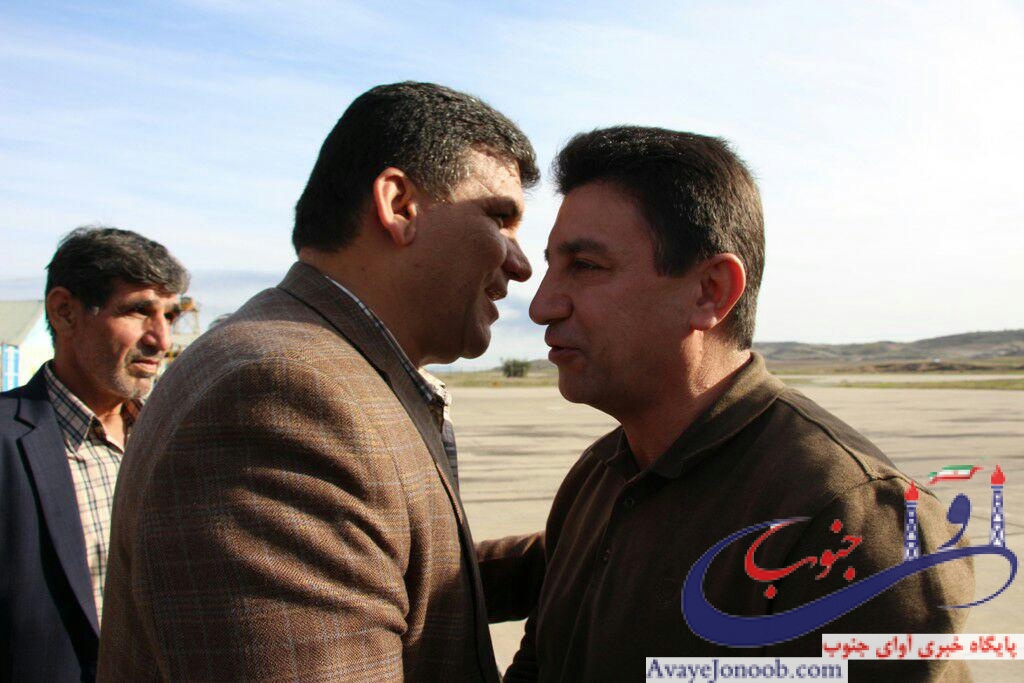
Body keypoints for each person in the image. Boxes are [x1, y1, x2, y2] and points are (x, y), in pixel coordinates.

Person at [98, 82, 545, 682]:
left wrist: (604, 545)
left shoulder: (324, 364)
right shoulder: (283, 394)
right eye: (499, 219)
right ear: (400, 205)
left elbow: (387, 579)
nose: (521, 265)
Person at [506, 126, 973, 682]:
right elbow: (541, 662)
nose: (542, 306)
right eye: (552, 267)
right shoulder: (600, 475)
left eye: (584, 266)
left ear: (711, 291)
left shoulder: (854, 521)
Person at [0, 226, 187, 682]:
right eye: (139, 311)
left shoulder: (175, 438)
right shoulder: (7, 442)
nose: (161, 340)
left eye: (170, 315)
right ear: (65, 312)